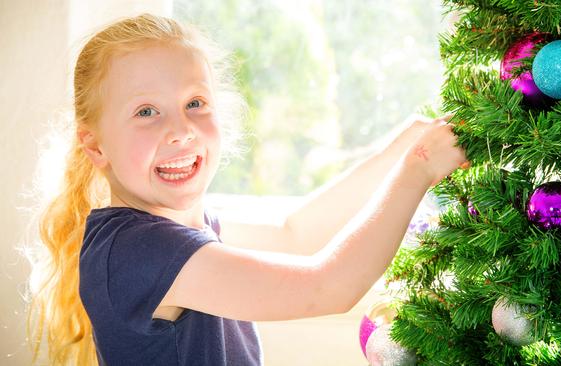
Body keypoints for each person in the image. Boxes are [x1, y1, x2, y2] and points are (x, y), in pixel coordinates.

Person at [26, 13, 467, 366]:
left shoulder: (182, 229)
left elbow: (296, 234)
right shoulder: (137, 250)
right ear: (95, 145)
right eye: (146, 111)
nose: (180, 130)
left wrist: (398, 151)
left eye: (194, 103)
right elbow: (328, 287)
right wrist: (417, 170)